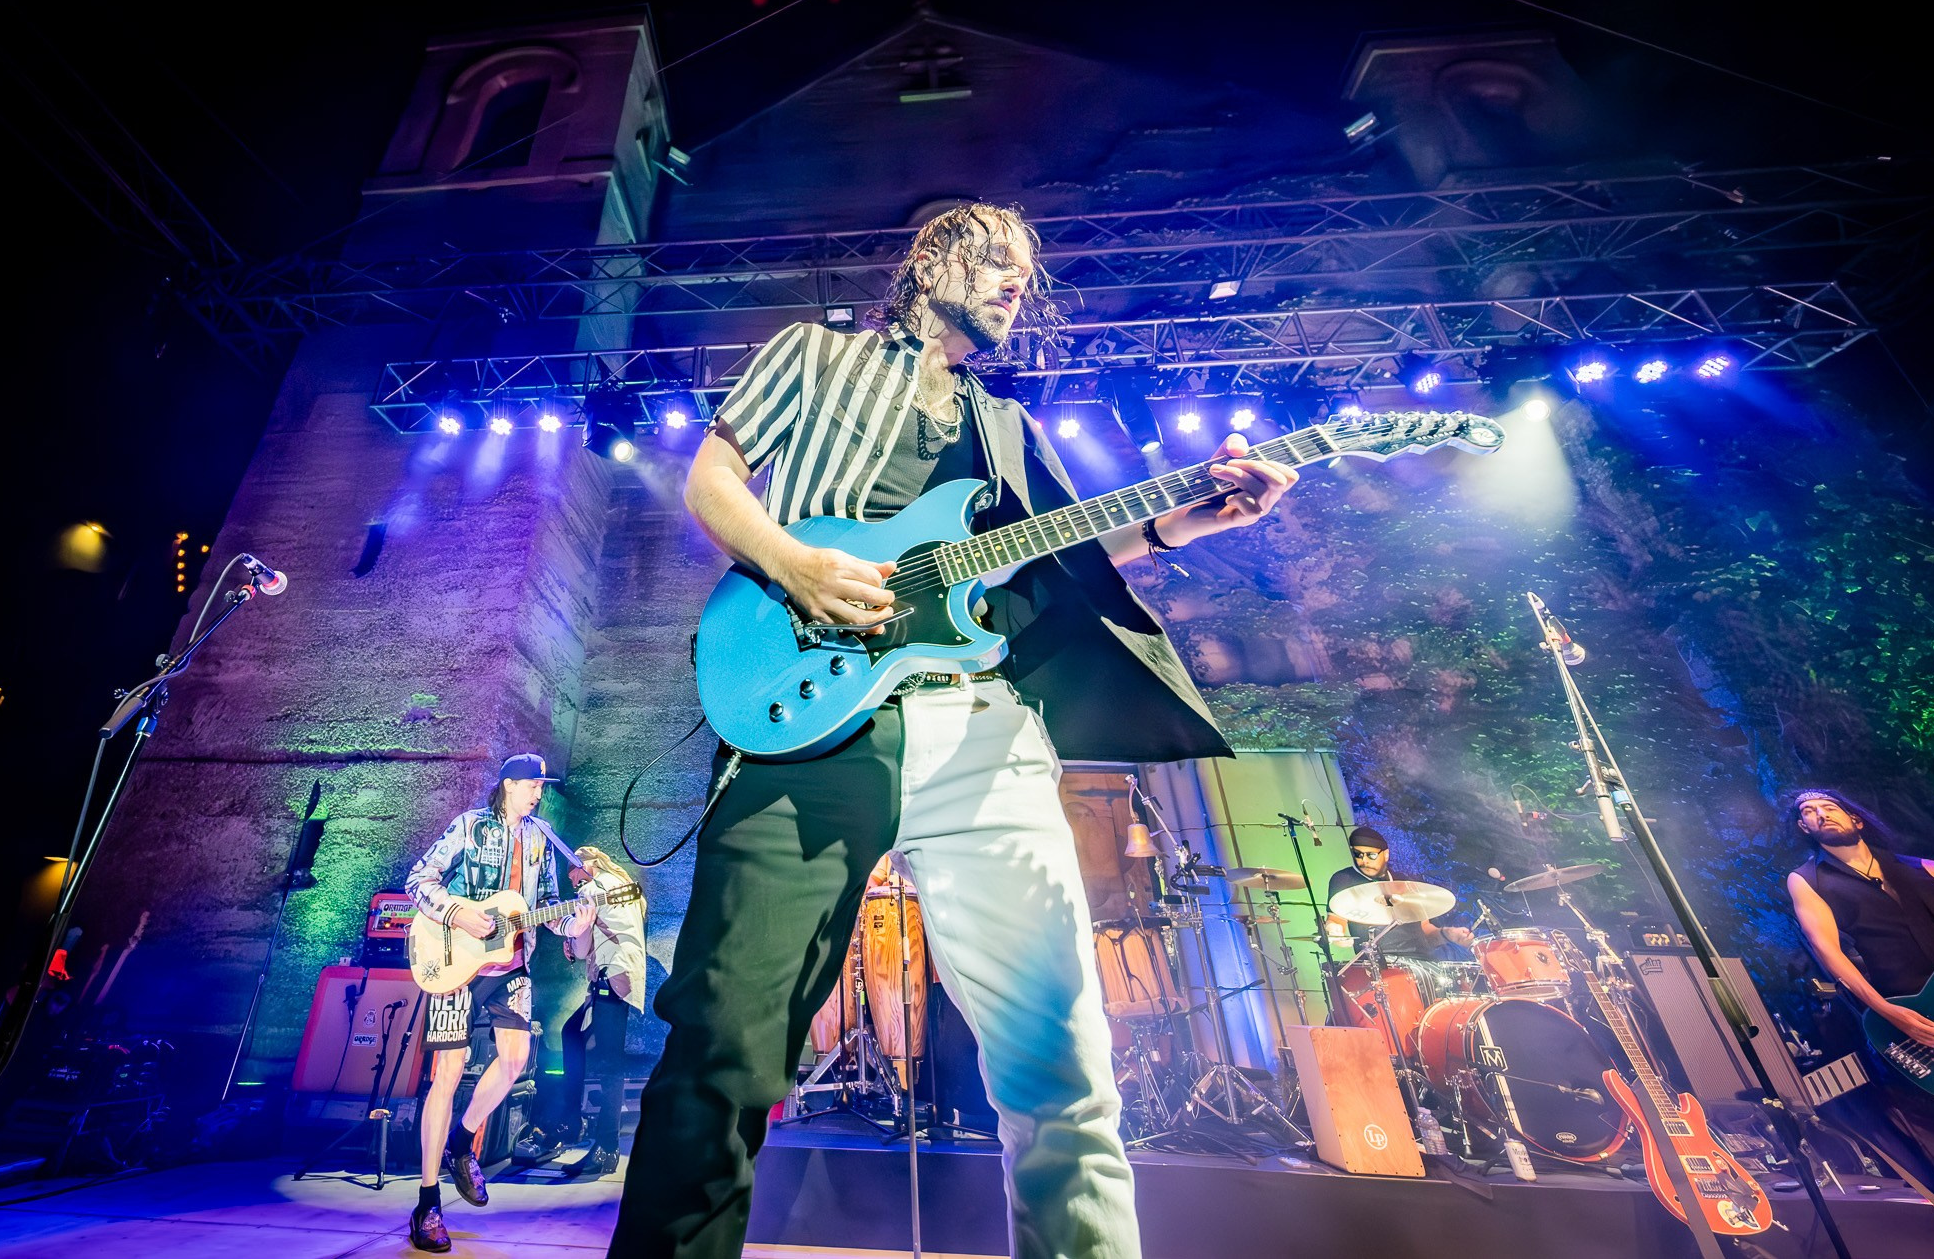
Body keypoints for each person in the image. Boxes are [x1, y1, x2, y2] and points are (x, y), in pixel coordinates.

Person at [610, 202, 1299, 1259]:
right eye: (997, 261)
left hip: (985, 734)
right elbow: (711, 478)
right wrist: (791, 563)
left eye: (1028, 273)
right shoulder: (809, 356)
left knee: (1061, 1069)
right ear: (928, 258)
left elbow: (1062, 557)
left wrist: (1190, 516)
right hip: (814, 716)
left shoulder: (1005, 430)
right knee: (723, 1049)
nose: (1017, 284)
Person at [404, 753, 594, 1253]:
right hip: (453, 970)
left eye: (542, 786)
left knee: (513, 1063)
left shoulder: (541, 838)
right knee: (445, 1076)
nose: (539, 792)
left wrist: (579, 918)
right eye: (532, 784)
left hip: (512, 967)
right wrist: (458, 915)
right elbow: (417, 881)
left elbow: (549, 911)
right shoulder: (468, 827)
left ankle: (462, 1142)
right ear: (509, 785)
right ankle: (427, 1203)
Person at [1784, 787, 1934, 1198]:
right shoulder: (1807, 881)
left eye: (1830, 807)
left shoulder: (1927, 868)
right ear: (1803, 828)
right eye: (1809, 812)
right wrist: (1886, 1011)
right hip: (1909, 1021)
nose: (1820, 814)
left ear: (1857, 820)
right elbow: (1830, 954)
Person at [528, 844, 646, 1180]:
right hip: (619, 979)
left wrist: (559, 930)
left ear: (589, 865)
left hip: (612, 978)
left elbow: (579, 948)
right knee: (572, 1034)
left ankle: (605, 1146)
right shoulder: (614, 887)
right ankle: (571, 1118)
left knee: (609, 1064)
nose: (571, 879)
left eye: (573, 871)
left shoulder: (594, 888)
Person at [1325, 826, 1473, 958]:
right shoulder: (1344, 879)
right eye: (1358, 854)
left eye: (1371, 855)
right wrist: (1334, 931)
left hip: (1422, 959)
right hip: (1380, 962)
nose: (1364, 861)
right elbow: (1336, 920)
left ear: (1386, 854)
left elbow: (1425, 930)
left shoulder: (1403, 881)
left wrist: (1446, 934)